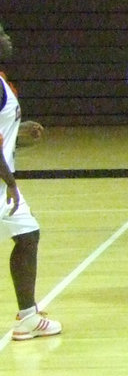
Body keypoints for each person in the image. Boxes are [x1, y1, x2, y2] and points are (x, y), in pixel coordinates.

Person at [1, 21, 60, 341]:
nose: (8, 39)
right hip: (2, 182)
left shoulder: (3, 82)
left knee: (27, 235)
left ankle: (27, 317)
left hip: (3, 179)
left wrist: (19, 139)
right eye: (2, 35)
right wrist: (10, 182)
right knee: (27, 236)